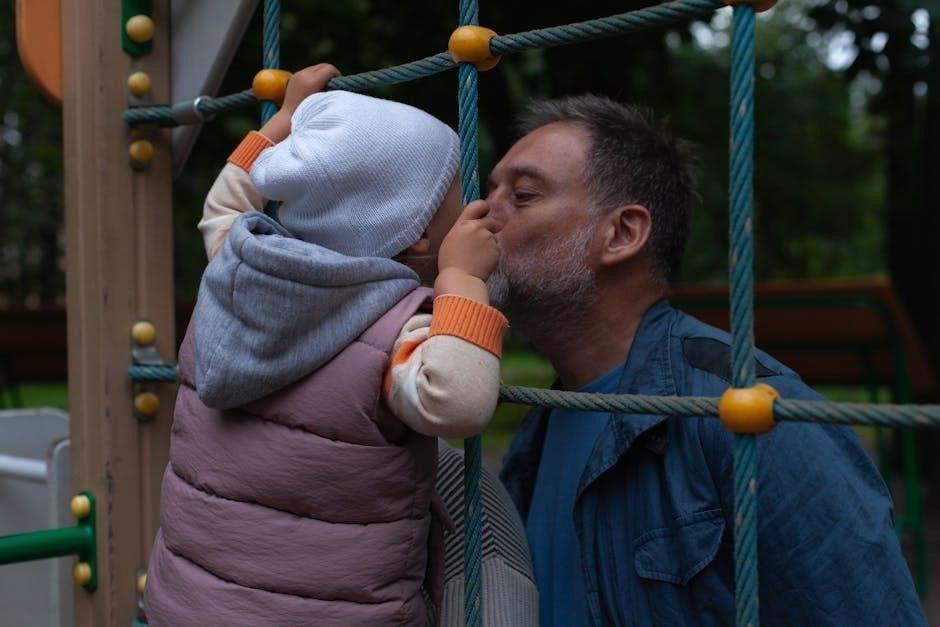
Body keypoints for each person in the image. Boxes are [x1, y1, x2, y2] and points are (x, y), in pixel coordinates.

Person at [486, 94, 927, 625]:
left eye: (523, 195)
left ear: (621, 234)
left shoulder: (755, 417)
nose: (481, 216)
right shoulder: (537, 420)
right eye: (490, 192)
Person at [144, 65, 526, 626]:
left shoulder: (233, 275)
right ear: (420, 231)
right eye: (456, 190)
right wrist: (461, 279)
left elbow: (221, 208)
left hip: (188, 607)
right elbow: (457, 403)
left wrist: (283, 120)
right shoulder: (396, 330)